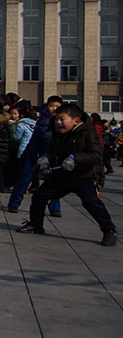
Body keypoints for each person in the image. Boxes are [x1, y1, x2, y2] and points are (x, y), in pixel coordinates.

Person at [18, 104, 116, 246]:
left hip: (84, 176)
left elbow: (96, 155)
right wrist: (46, 158)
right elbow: (52, 150)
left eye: (62, 119)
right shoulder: (57, 131)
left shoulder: (87, 132)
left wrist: (75, 158)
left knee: (91, 203)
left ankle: (109, 231)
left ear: (76, 120)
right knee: (40, 196)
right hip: (62, 175)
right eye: (57, 119)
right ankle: (36, 225)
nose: (58, 122)